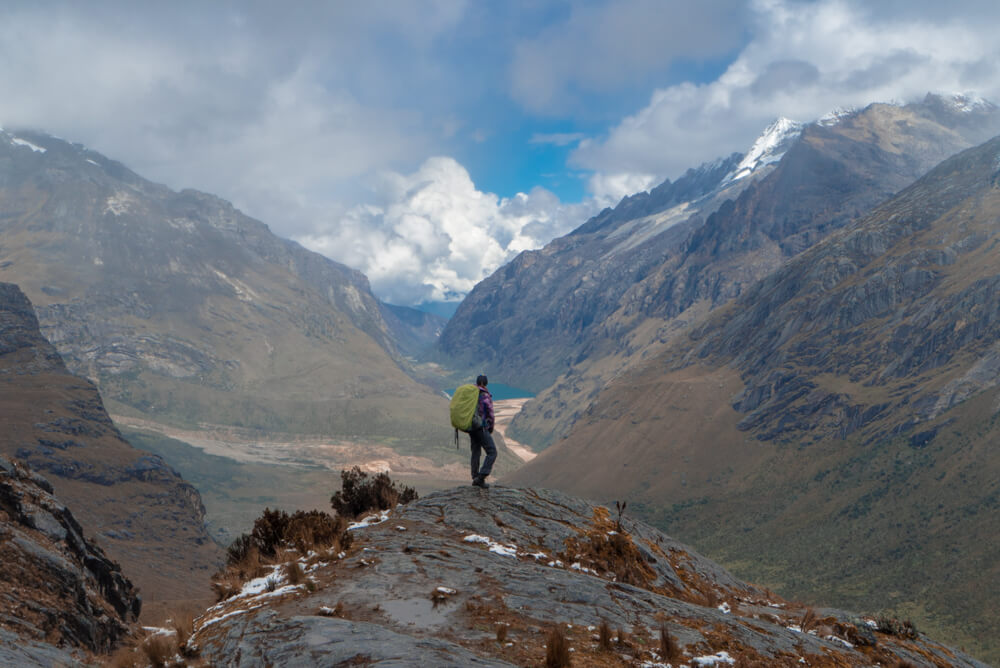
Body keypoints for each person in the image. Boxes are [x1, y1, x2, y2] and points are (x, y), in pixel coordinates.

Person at [470, 374, 497, 488]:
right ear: (485, 383)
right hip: (481, 427)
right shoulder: (485, 395)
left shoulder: (471, 393)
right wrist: (490, 428)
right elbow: (490, 413)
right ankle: (481, 478)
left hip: (471, 427)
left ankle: (475, 477)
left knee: (476, 451)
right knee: (492, 452)